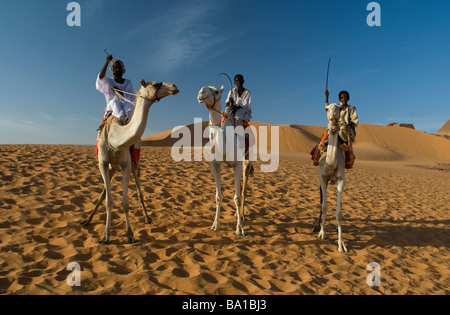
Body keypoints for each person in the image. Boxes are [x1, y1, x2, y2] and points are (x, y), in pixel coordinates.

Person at [96, 54, 135, 126]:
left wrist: (120, 92)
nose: (118, 69)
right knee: (114, 102)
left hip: (125, 106)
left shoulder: (128, 82)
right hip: (112, 107)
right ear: (112, 70)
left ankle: (128, 123)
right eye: (115, 67)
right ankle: (122, 119)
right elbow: (101, 78)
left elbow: (132, 98)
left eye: (120, 68)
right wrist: (107, 62)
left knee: (130, 105)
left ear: (123, 70)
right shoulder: (109, 81)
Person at [223, 74, 253, 151]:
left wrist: (236, 107)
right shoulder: (232, 91)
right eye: (237, 81)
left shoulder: (248, 92)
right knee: (227, 112)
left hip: (243, 110)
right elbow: (227, 103)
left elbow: (246, 105)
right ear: (235, 82)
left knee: (238, 115)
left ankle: (240, 139)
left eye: (240, 80)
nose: (239, 82)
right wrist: (230, 104)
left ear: (243, 81)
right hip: (232, 109)